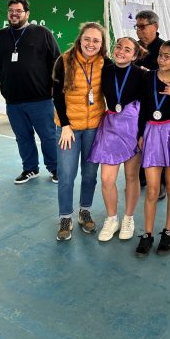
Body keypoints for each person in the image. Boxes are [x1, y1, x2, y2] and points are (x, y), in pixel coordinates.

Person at [0, 0, 60, 184]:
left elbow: (57, 62)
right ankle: (30, 168)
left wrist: (56, 86)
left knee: (48, 137)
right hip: (13, 100)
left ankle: (56, 168)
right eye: (11, 11)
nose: (14, 14)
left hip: (41, 99)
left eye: (18, 11)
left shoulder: (42, 33)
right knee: (23, 138)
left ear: (27, 14)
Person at [53, 22, 109, 241]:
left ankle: (84, 211)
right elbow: (57, 96)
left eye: (96, 40)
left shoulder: (105, 63)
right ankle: (65, 217)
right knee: (66, 175)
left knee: (90, 174)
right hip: (69, 129)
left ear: (102, 44)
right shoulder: (64, 60)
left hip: (94, 128)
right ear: (80, 39)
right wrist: (65, 125)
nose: (91, 44)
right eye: (87, 39)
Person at [88, 37, 146, 242]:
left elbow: (148, 105)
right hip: (111, 126)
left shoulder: (142, 74)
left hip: (133, 126)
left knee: (131, 177)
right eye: (119, 47)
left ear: (135, 55)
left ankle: (128, 218)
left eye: (127, 49)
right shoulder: (105, 70)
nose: (121, 51)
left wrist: (142, 133)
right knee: (107, 179)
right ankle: (112, 218)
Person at [135, 40, 170, 257]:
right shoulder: (148, 78)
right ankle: (147, 234)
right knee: (152, 189)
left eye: (167, 56)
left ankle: (168, 231)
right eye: (160, 55)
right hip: (151, 132)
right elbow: (143, 108)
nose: (161, 59)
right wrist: (140, 133)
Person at [134, 9, 166, 200]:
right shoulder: (134, 47)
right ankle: (141, 176)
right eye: (137, 27)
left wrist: (150, 73)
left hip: (159, 105)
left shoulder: (166, 47)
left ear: (155, 26)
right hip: (137, 105)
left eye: (142, 26)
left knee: (158, 146)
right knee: (139, 140)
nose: (139, 31)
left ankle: (161, 182)